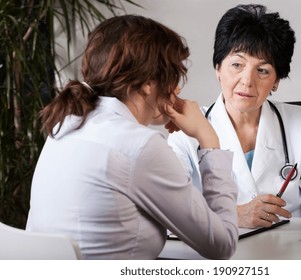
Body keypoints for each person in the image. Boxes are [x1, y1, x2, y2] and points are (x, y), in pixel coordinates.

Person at [26, 14, 238, 260]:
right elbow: (221, 244)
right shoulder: (140, 145)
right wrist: (208, 138)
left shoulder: (66, 124)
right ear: (149, 84)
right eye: (173, 75)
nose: (177, 89)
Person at [167, 4, 301, 228]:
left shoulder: (300, 124)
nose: (247, 80)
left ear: (276, 81)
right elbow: (166, 204)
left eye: (262, 70)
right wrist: (234, 214)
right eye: (237, 65)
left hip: (289, 249)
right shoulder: (186, 129)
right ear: (218, 68)